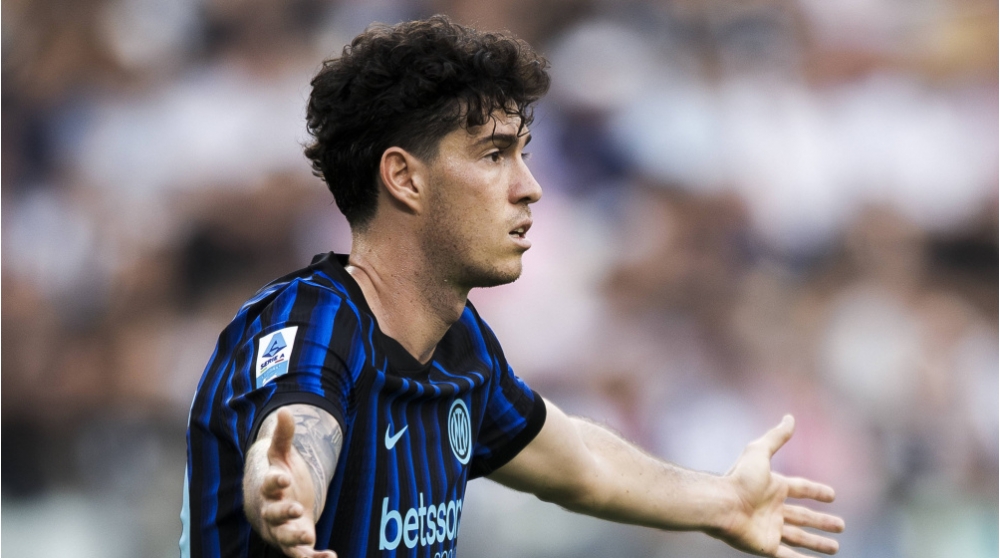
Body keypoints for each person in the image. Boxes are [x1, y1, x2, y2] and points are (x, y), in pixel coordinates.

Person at [181, 15, 844, 558]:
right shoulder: (312, 321)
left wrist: (725, 502)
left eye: (523, 154)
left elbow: (583, 464)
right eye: (494, 155)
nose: (530, 187)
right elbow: (296, 432)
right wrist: (285, 490)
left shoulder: (460, 347)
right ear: (405, 178)